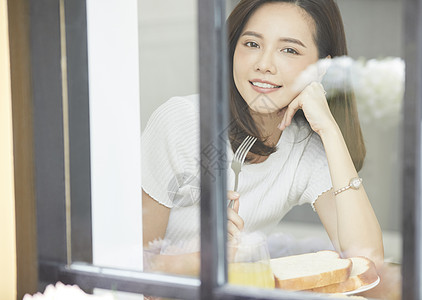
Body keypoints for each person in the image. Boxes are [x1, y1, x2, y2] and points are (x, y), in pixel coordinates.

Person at [141, 0, 384, 277]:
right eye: (252, 44)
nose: (264, 64)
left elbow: (367, 264)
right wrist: (212, 258)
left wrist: (329, 129)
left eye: (289, 50)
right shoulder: (181, 122)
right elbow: (126, 266)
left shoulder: (306, 145)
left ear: (320, 68)